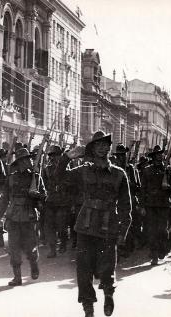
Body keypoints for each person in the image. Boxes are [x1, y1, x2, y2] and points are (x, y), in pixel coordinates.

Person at [65, 131, 132, 317]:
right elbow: (59, 178)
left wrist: (123, 231)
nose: (103, 147)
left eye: (106, 145)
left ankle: (108, 294)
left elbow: (126, 206)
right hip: (85, 225)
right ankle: (88, 306)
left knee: (107, 266)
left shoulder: (119, 175)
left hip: (108, 225)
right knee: (83, 269)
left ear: (110, 149)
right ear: (92, 149)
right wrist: (67, 157)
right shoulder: (83, 171)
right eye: (99, 144)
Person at [5, 147, 46, 287]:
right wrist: (2, 216)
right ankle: (17, 277)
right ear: (19, 162)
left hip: (29, 215)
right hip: (14, 216)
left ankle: (34, 265)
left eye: (28, 159)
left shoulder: (35, 177)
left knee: (31, 247)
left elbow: (44, 197)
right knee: (13, 247)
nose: (26, 161)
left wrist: (37, 195)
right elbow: (5, 197)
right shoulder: (11, 178)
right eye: (23, 160)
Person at [141, 145, 171, 266]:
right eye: (157, 154)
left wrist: (168, 187)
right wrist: (142, 205)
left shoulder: (168, 169)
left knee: (162, 230)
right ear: (153, 156)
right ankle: (154, 255)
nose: (159, 156)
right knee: (152, 231)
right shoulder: (147, 170)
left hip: (164, 204)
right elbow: (143, 189)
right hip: (151, 204)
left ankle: (162, 249)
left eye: (161, 154)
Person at [42, 145, 72, 258]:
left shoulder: (66, 170)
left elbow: (71, 187)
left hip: (63, 202)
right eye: (51, 156)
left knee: (61, 225)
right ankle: (52, 249)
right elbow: (43, 184)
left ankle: (63, 243)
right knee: (49, 226)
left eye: (56, 155)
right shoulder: (46, 170)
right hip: (51, 201)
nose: (53, 158)